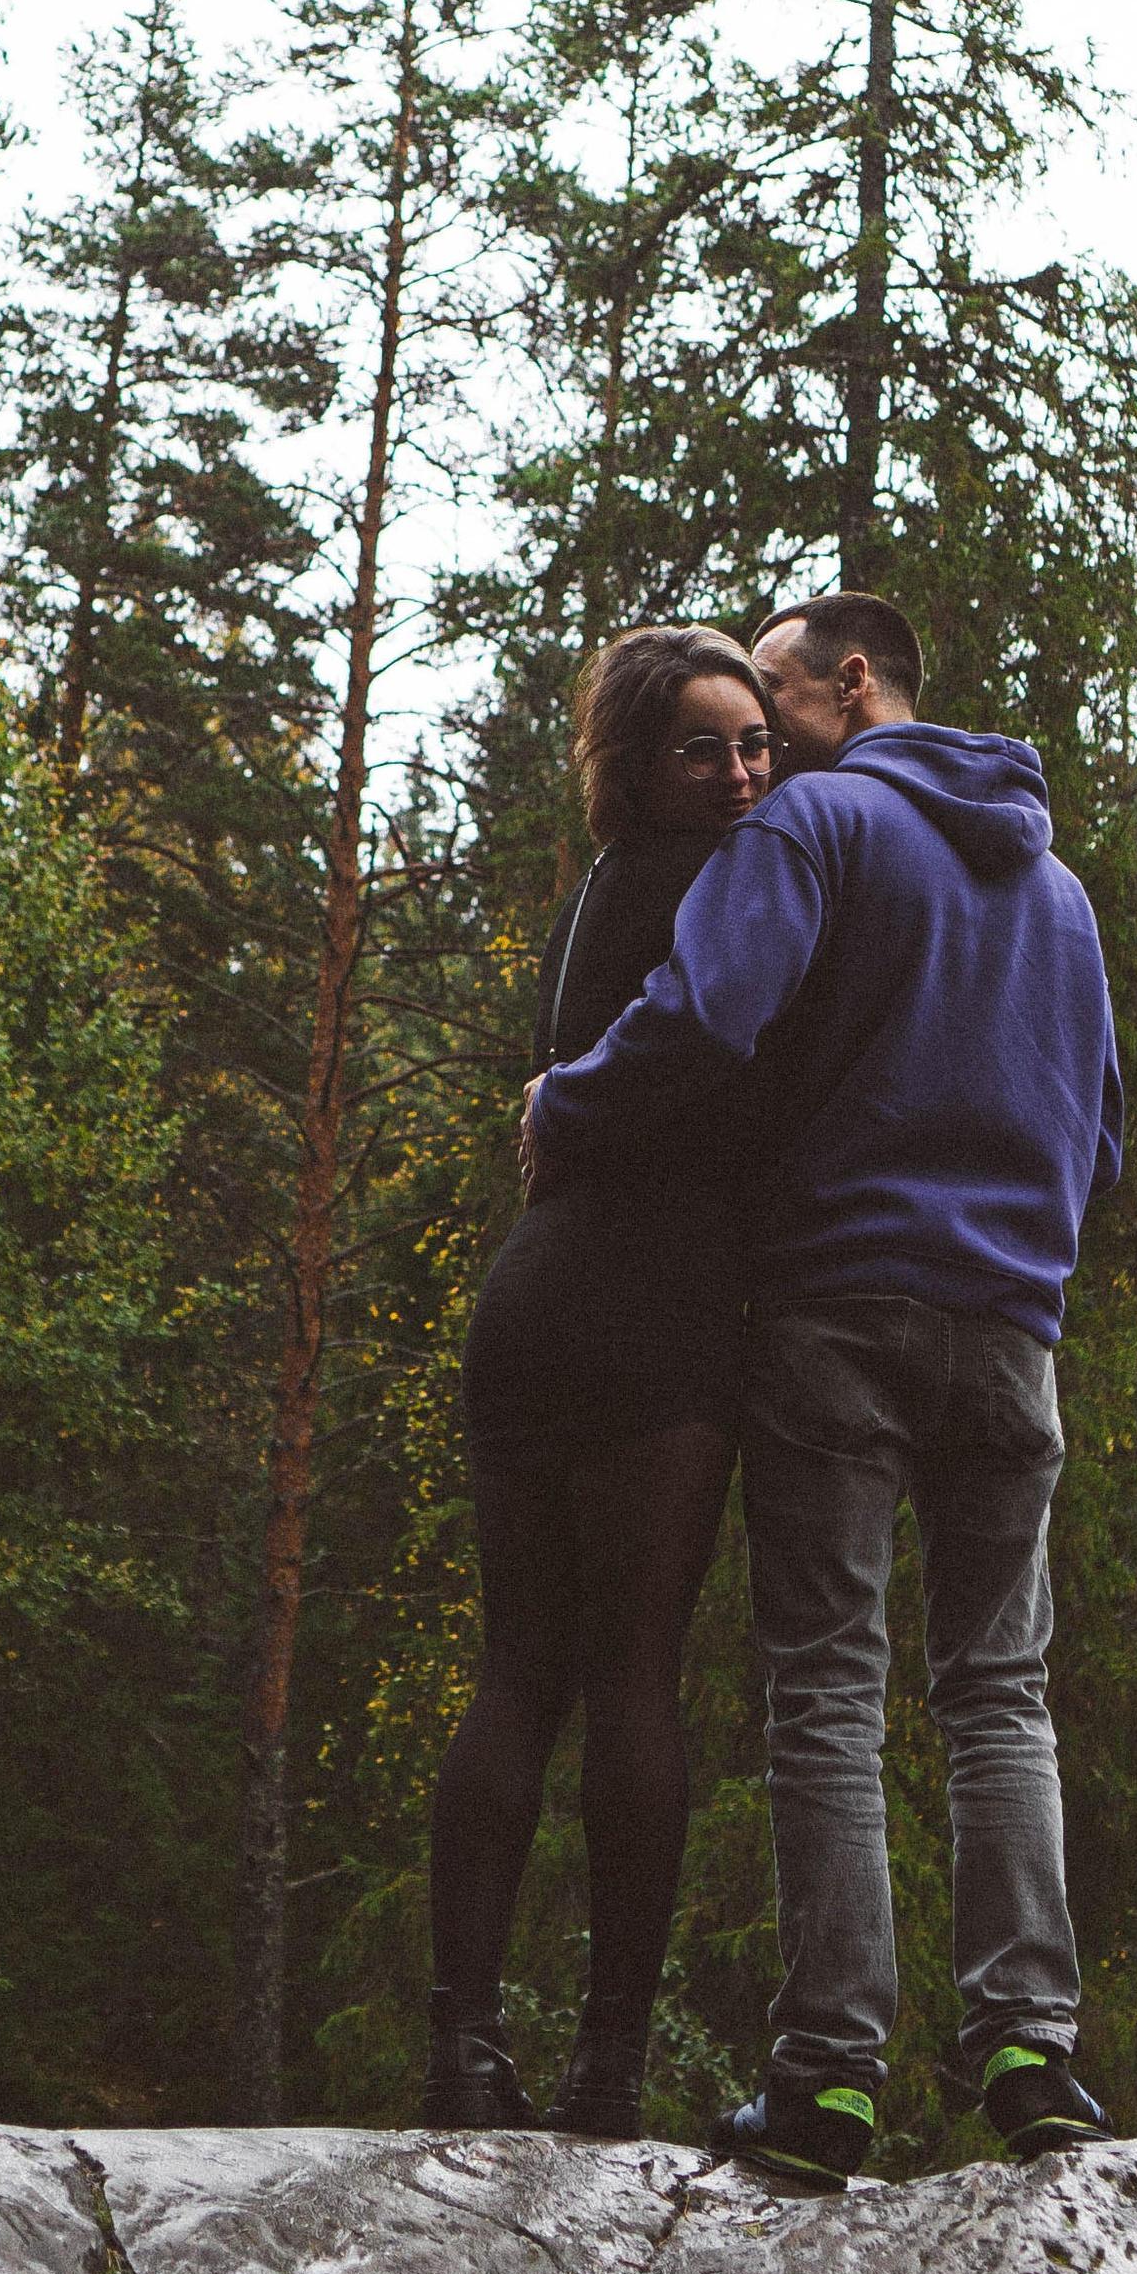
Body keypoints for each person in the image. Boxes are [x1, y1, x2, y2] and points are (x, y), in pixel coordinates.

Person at [522, 591, 1122, 2188]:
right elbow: (1100, 1131)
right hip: (1012, 1326)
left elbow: (706, 1013)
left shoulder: (818, 830)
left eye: (772, 697)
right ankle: (1028, 2053)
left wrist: (564, 1105)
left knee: (830, 1689)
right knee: (999, 1687)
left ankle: (827, 2083)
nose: (755, 744)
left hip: (841, 1308)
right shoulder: (1058, 887)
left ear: (850, 684)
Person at [423, 623, 778, 2140]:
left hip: (533, 1292)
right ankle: (607, 2071)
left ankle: (460, 2050)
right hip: (651, 1304)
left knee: (521, 1670)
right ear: (638, 767)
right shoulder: (730, 890)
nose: (745, 773)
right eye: (706, 748)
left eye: (758, 743)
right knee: (631, 1666)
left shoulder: (595, 898)